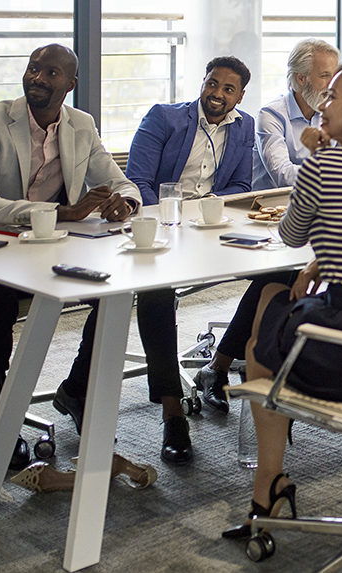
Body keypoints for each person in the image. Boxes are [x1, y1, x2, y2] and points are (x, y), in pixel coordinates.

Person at [223, 61, 342, 539]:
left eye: (333, 97)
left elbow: (290, 236)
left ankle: (266, 483)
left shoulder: (323, 163)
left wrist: (319, 157)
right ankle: (269, 483)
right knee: (272, 293)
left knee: (257, 344)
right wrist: (320, 263)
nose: (321, 105)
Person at [0, 44, 140, 469]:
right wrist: (57, 212)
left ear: (70, 84)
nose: (38, 78)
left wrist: (126, 204)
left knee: (113, 291)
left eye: (50, 73)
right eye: (32, 69)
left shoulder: (81, 126)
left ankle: (76, 390)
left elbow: (124, 183)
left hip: (42, 253)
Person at [122, 56, 254, 462]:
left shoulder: (243, 125)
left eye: (227, 89)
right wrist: (167, 218)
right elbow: (136, 178)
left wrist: (209, 216)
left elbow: (240, 185)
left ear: (240, 95)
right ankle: (172, 411)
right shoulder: (165, 118)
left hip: (209, 229)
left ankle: (218, 365)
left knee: (277, 273)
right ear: (203, 83)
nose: (217, 94)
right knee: (157, 293)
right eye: (212, 84)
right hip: (161, 226)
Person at [252, 39, 341, 189]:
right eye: (325, 75)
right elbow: (282, 174)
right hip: (271, 205)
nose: (331, 84)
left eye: (335, 76)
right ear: (301, 78)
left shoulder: (333, 113)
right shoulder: (271, 115)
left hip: (318, 200)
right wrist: (330, 174)